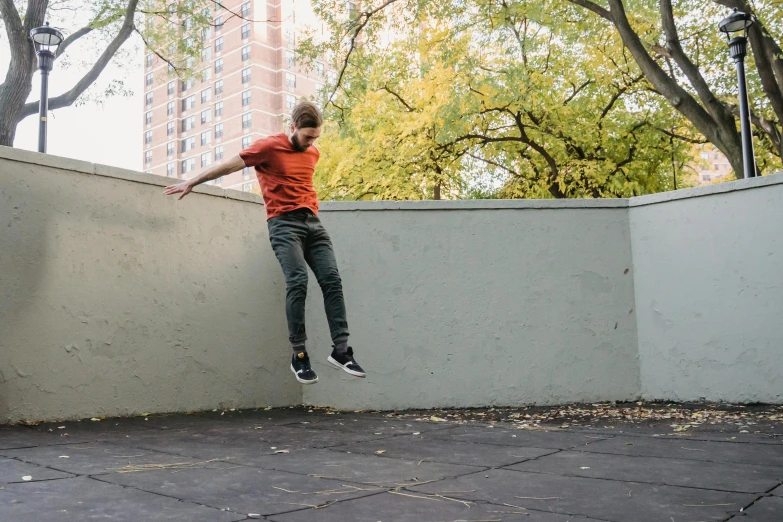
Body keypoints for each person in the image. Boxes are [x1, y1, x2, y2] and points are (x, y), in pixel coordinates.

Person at [164, 101, 364, 385]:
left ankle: (341, 351)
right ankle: (299, 356)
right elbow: (229, 165)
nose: (311, 143)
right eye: (307, 137)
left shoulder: (313, 153)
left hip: (313, 224)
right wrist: (193, 181)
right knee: (298, 281)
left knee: (332, 280)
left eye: (316, 138)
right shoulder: (268, 147)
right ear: (292, 128)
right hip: (283, 225)